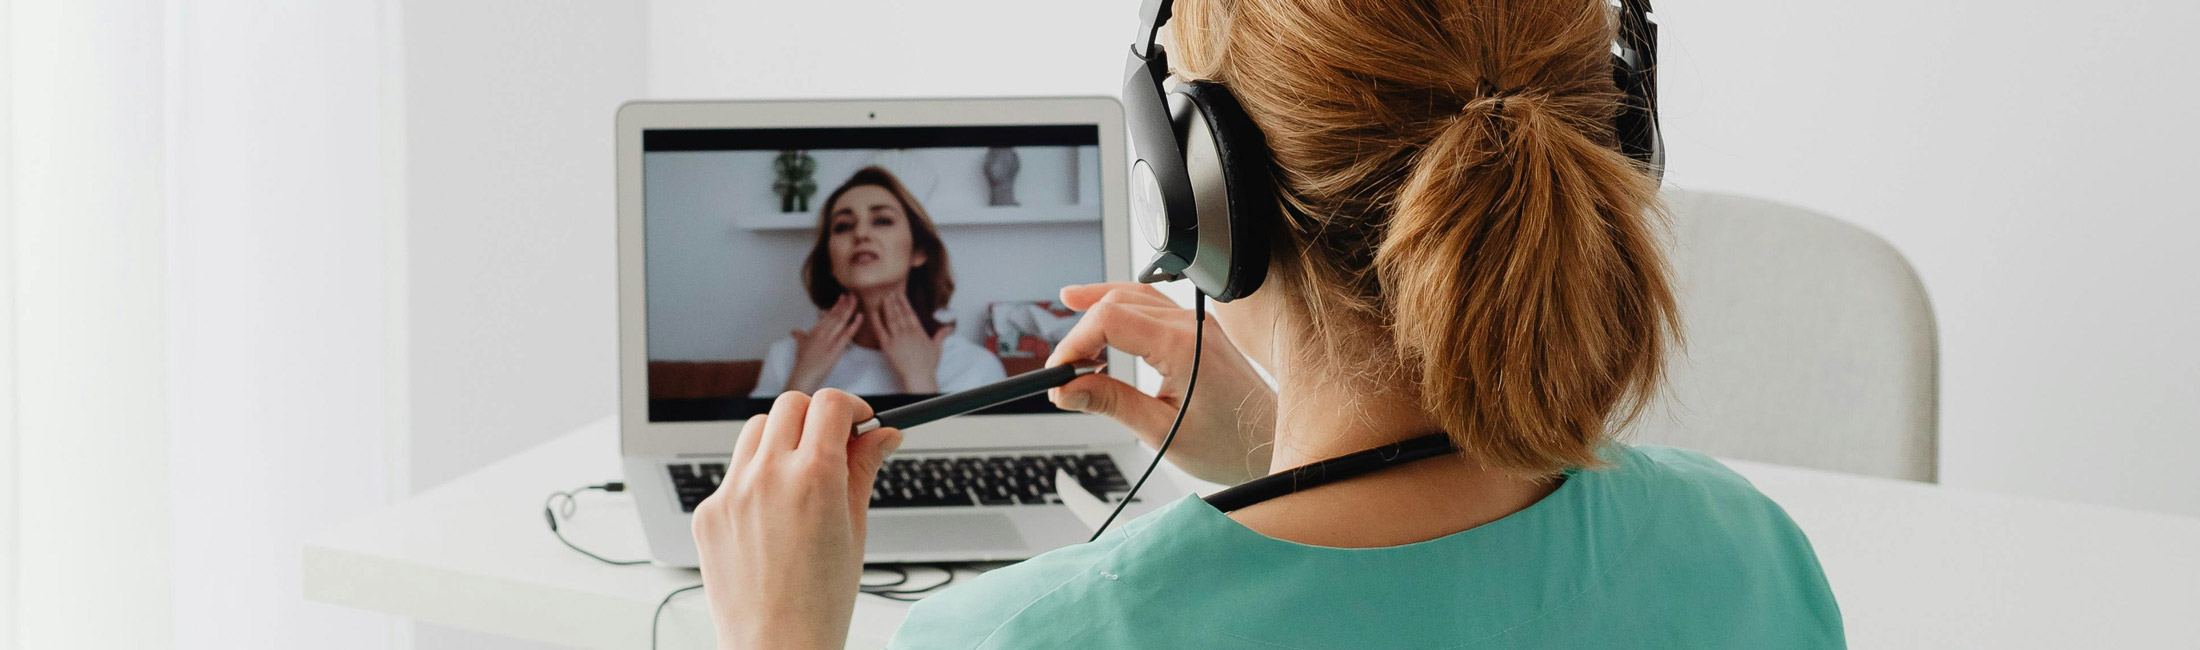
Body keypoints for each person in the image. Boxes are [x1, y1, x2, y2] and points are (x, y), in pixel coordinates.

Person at [692, 0, 1844, 648]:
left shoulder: (1014, 640)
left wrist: (776, 640)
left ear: (1208, 200)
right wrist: (1284, 445)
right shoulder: (1747, 549)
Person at [748, 165, 1006, 397]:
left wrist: (920, 380)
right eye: (843, 226)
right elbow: (757, 450)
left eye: (882, 220)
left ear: (918, 252)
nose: (860, 233)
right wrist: (801, 381)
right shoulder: (786, 358)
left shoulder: (975, 368)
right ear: (830, 262)